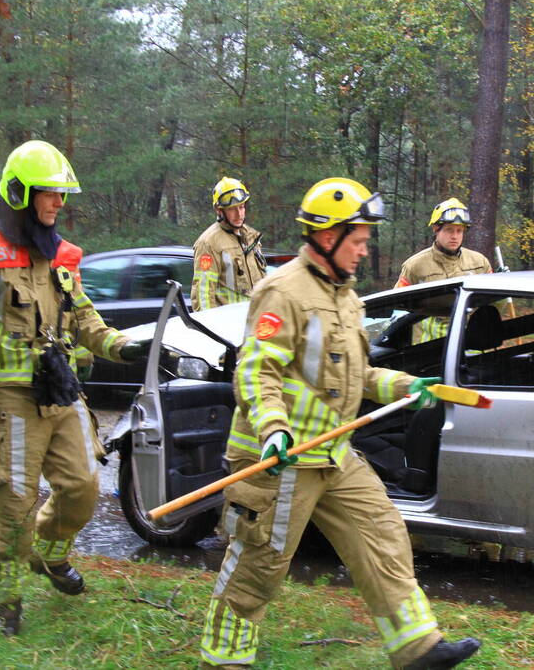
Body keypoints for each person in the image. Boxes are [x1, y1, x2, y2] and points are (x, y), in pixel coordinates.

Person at [198, 178, 481, 669]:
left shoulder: (346, 297)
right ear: (327, 237)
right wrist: (273, 430)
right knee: (259, 567)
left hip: (332, 452)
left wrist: (405, 386)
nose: (364, 251)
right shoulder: (282, 291)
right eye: (358, 240)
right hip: (279, 459)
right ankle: (222, 660)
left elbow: (359, 373)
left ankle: (417, 648)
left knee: (383, 533)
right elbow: (256, 369)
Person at [0, 140, 151, 635]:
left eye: (62, 194)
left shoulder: (59, 257)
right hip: (11, 400)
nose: (59, 203)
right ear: (21, 193)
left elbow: (85, 317)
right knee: (15, 507)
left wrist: (120, 345)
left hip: (59, 393)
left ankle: (49, 556)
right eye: (50, 193)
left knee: (83, 488)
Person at [395, 198, 492, 340]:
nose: (455, 236)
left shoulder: (480, 262)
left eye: (459, 231)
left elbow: (491, 303)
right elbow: (398, 307)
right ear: (436, 229)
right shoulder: (415, 266)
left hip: (468, 344)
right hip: (427, 348)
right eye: (449, 230)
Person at [191, 177, 267, 311]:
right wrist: (211, 328)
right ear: (219, 210)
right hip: (228, 327)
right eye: (232, 209)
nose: (239, 214)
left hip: (254, 324)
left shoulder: (250, 237)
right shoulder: (208, 244)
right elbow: (203, 296)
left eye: (242, 207)